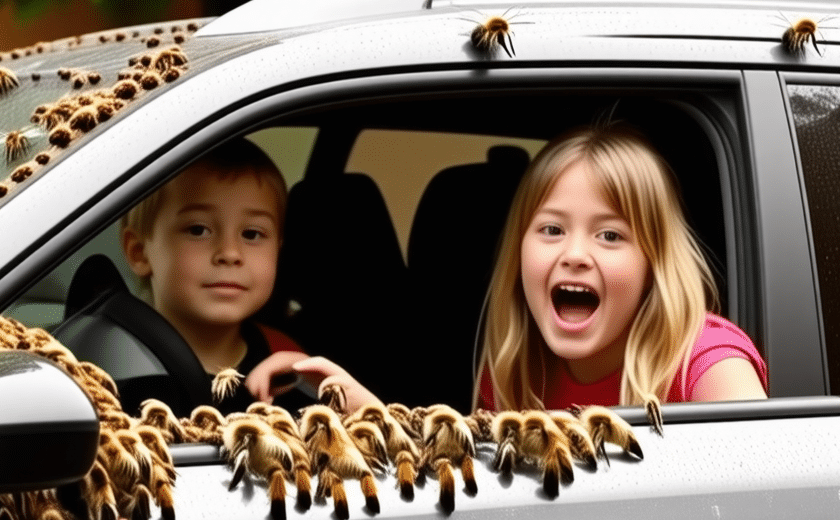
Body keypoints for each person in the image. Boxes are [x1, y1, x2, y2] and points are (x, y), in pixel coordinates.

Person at [256, 123, 767, 413]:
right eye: (551, 230)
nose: (574, 254)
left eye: (610, 235)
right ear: (517, 254)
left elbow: (768, 480)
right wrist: (371, 413)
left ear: (654, 262)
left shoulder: (702, 360)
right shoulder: (517, 368)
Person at [120, 138, 305, 411]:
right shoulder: (114, 366)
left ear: (278, 249)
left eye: (252, 234)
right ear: (139, 252)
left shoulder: (291, 367)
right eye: (198, 230)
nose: (230, 253)